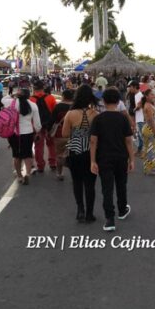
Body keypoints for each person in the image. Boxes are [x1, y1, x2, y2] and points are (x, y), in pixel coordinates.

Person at [90, 87, 135, 232]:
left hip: (104, 158)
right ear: (118, 101)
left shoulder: (98, 118)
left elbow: (93, 141)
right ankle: (122, 210)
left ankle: (110, 219)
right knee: (121, 184)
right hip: (121, 157)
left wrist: (92, 161)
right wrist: (132, 159)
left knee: (107, 188)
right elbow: (128, 141)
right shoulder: (123, 118)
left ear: (103, 101)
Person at [62, 85, 98, 222]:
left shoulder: (70, 114)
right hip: (91, 152)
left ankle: (80, 210)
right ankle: (90, 213)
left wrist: (76, 133)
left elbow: (65, 133)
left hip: (75, 151)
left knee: (77, 182)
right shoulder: (95, 114)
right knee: (90, 184)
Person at [2, 87, 41, 185]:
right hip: (28, 133)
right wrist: (37, 132)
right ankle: (27, 173)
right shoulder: (33, 105)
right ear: (29, 95)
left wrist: (12, 94)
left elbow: (3, 99)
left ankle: (19, 176)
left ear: (18, 95)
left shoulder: (11, 103)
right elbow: (37, 124)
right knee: (27, 154)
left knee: (16, 155)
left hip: (14, 134)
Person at [30, 81, 57, 174]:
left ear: (34, 88)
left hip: (37, 126)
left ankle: (40, 166)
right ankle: (53, 163)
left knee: (38, 146)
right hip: (49, 125)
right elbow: (55, 112)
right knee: (51, 144)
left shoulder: (30, 99)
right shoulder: (51, 98)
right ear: (43, 88)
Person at [50, 89, 75, 181]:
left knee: (59, 154)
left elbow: (52, 120)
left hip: (60, 134)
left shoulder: (58, 107)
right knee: (73, 154)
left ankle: (59, 173)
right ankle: (74, 173)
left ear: (63, 96)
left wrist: (49, 131)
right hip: (73, 134)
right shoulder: (75, 107)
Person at [140, 89, 155, 175]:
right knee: (151, 150)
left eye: (154, 94)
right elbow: (151, 120)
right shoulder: (148, 106)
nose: (153, 96)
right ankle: (149, 169)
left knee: (149, 149)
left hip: (148, 128)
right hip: (149, 129)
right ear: (147, 96)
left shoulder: (148, 104)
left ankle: (149, 168)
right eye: (151, 95)